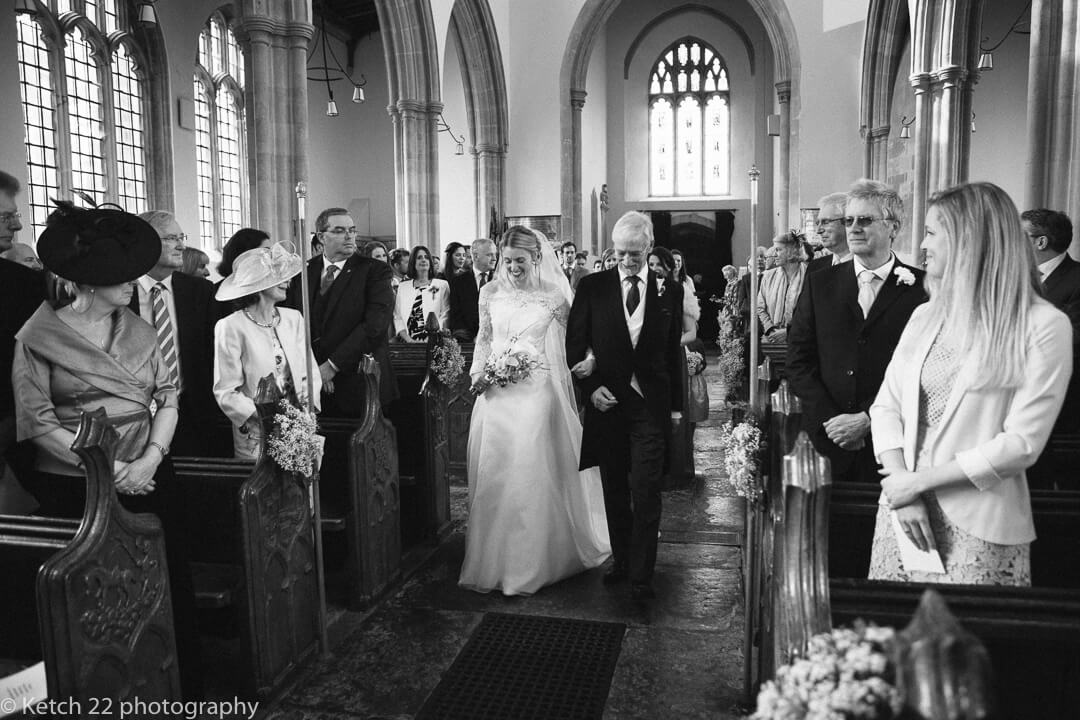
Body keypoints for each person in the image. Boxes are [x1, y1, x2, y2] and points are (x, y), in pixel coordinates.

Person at [15, 203, 201, 696]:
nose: (132, 282)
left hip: (151, 479)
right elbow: (37, 423)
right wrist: (110, 468)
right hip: (77, 488)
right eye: (121, 276)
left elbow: (168, 398)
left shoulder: (139, 328)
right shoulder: (37, 337)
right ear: (89, 282)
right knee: (96, 608)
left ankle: (170, 687)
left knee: (163, 589)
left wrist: (149, 459)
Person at [868, 182, 1072, 586]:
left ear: (968, 239)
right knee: (893, 639)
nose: (922, 246)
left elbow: (1022, 444)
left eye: (931, 232)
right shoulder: (926, 316)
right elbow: (885, 406)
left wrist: (917, 483)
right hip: (903, 511)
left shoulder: (1043, 325)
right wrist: (899, 484)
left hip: (979, 520)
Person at [459, 226, 610, 596]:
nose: (512, 267)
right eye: (506, 260)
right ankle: (494, 557)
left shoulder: (555, 296)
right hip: (495, 395)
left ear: (536, 258)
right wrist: (478, 373)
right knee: (494, 471)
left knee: (527, 469)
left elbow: (579, 339)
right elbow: (483, 338)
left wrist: (589, 362)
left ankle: (530, 562)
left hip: (538, 391)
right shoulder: (489, 292)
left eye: (520, 261)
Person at [567, 211, 685, 602]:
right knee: (615, 488)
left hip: (650, 404)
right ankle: (621, 560)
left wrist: (677, 408)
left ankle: (642, 573)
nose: (628, 261)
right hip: (609, 404)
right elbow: (576, 343)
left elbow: (671, 353)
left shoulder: (670, 290)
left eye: (635, 254)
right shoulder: (593, 287)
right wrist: (591, 388)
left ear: (649, 247)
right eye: (621, 254)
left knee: (647, 489)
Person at [787, 179, 927, 484]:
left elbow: (924, 369)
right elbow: (799, 358)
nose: (854, 228)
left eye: (865, 220)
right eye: (849, 220)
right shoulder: (821, 283)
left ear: (893, 227)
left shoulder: (923, 289)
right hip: (828, 439)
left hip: (896, 443)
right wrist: (831, 421)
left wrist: (867, 418)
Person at [214, 243, 321, 459]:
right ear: (259, 283)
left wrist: (304, 414)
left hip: (300, 426)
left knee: (302, 489)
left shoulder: (293, 319)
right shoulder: (231, 326)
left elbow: (310, 373)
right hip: (257, 432)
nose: (288, 281)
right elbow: (226, 391)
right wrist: (268, 418)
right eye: (279, 276)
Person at [286, 207, 395, 413]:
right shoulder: (303, 271)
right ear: (321, 236)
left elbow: (374, 325)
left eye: (352, 230)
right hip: (312, 383)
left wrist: (331, 366)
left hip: (360, 381)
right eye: (339, 230)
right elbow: (295, 323)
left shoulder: (375, 270)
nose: (349, 236)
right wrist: (315, 368)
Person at [133, 210, 223, 456]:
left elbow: (211, 353)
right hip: (135, 418)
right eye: (171, 238)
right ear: (145, 242)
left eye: (181, 237)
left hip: (192, 414)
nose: (182, 245)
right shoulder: (121, 293)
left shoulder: (200, 292)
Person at [0, 171, 46, 513]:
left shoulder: (24, 285)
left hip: (14, 433)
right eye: (6, 217)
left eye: (14, 216)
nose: (16, 227)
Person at [756, 231, 807, 343]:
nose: (774, 254)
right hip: (773, 341)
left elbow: (811, 314)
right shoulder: (768, 276)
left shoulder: (809, 275)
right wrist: (771, 329)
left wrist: (788, 332)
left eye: (778, 250)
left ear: (791, 251)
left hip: (801, 341)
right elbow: (760, 307)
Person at [393, 245, 450, 341]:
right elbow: (397, 317)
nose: (424, 260)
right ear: (413, 263)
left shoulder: (442, 285)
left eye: (426, 257)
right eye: (419, 258)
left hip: (434, 340)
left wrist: (432, 336)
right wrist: (408, 340)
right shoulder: (403, 287)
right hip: (407, 341)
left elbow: (445, 314)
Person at [448, 237, 497, 341]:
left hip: (496, 340)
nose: (494, 258)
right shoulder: (458, 282)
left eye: (495, 254)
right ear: (475, 256)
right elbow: (455, 317)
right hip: (467, 341)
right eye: (489, 255)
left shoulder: (501, 281)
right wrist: (471, 337)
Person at [808, 192, 851, 274]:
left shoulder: (866, 267)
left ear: (847, 221)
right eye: (818, 223)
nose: (818, 231)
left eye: (826, 222)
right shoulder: (814, 268)